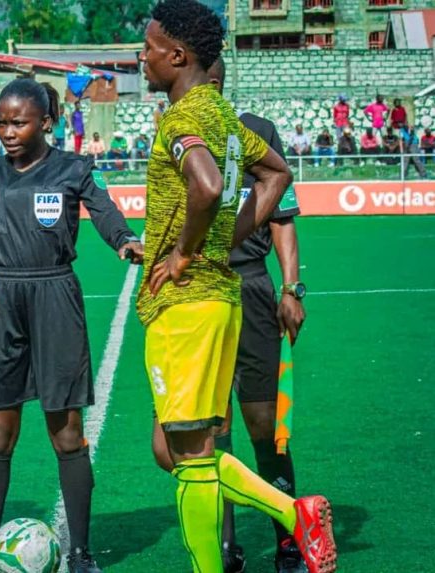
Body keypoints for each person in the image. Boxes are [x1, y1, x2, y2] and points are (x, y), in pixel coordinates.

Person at [136, 3, 337, 573]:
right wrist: (227, 239)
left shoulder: (181, 119)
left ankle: (290, 514)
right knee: (190, 451)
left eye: (149, 47)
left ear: (177, 56)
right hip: (221, 297)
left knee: (189, 455)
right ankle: (256, 538)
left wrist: (183, 253)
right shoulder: (225, 117)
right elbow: (277, 174)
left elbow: (203, 186)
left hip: (186, 306)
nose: (142, 56)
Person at [0, 78, 144, 573]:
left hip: (55, 297)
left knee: (67, 431)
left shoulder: (74, 169)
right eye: (1, 122)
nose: (8, 132)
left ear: (46, 122)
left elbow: (106, 214)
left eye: (18, 122)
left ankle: (81, 552)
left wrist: (125, 240)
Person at [156, 55, 307, 573]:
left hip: (249, 292)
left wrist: (292, 288)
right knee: (206, 437)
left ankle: (290, 537)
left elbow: (282, 216)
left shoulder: (252, 133)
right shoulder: (177, 130)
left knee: (264, 425)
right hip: (197, 294)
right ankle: (225, 547)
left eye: (217, 84)